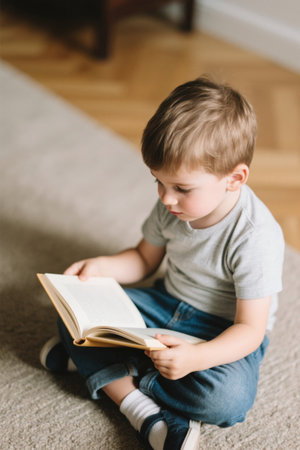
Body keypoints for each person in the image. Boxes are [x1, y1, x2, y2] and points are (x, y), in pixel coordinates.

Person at [40, 77, 285, 450]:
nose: (166, 198)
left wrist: (197, 358)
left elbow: (249, 331)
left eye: (181, 188)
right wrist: (101, 268)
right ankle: (140, 408)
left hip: (222, 331)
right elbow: (142, 260)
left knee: (228, 400)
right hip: (166, 302)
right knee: (71, 309)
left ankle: (114, 373)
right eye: (158, 181)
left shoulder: (255, 236)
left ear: (234, 179)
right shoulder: (172, 204)